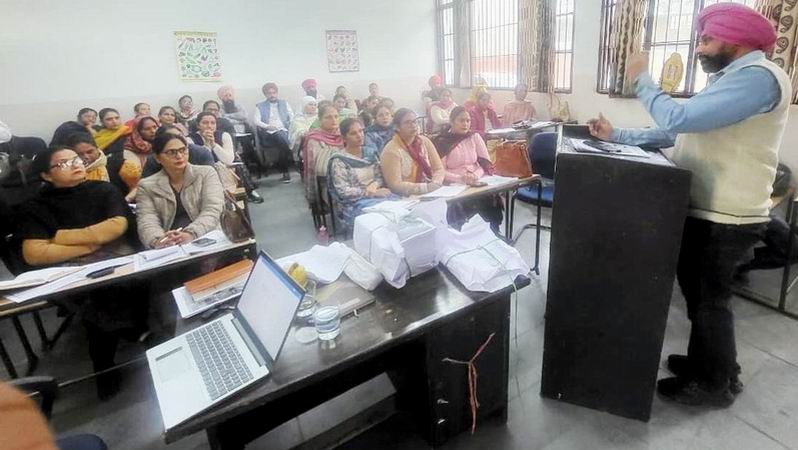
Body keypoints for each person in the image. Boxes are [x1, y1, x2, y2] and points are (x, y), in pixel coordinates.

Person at [587, 3, 790, 407]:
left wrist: (640, 78)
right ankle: (715, 367)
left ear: (735, 42)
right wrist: (617, 135)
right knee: (702, 298)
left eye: (707, 40)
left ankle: (713, 383)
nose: (699, 47)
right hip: (710, 207)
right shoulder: (730, 80)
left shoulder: (759, 78)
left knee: (708, 300)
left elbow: (677, 119)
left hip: (728, 215)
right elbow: (678, 133)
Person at [17, 146, 142, 397]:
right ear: (46, 175)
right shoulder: (35, 206)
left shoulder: (103, 190)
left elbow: (117, 226)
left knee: (111, 287)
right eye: (63, 164)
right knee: (97, 293)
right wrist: (91, 244)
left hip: (116, 257)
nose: (75, 164)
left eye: (76, 159)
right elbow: (34, 252)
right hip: (66, 270)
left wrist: (60, 238)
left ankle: (112, 351)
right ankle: (112, 355)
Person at [136, 133, 224, 249]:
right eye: (171, 152)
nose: (179, 156)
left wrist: (190, 234)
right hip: (170, 245)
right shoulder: (146, 186)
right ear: (157, 158)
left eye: (183, 150)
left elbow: (213, 209)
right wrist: (158, 240)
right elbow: (147, 219)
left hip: (207, 237)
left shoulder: (206, 173)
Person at [433, 106, 502, 231]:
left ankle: (492, 232)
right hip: (454, 185)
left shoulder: (474, 137)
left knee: (489, 198)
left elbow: (485, 163)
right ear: (452, 121)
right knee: (462, 205)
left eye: (468, 120)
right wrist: (461, 179)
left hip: (476, 181)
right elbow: (439, 171)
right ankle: (466, 235)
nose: (465, 124)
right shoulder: (442, 141)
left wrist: (475, 176)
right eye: (461, 120)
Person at [328, 118, 393, 228]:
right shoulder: (339, 161)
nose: (359, 135)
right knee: (380, 220)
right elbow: (343, 191)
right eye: (353, 133)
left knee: (400, 208)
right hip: (353, 203)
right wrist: (371, 193)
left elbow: (380, 176)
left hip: (377, 194)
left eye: (361, 131)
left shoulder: (370, 153)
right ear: (344, 138)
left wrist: (375, 184)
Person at [381, 108, 445, 196]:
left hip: (432, 190)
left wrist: (435, 183)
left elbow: (439, 169)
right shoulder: (391, 150)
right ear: (397, 127)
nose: (413, 125)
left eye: (415, 121)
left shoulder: (424, 141)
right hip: (406, 197)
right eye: (407, 123)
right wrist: (425, 188)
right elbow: (395, 185)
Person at [95, 108, 140, 200]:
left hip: (130, 172)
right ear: (102, 122)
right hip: (108, 174)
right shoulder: (99, 137)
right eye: (109, 119)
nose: (114, 121)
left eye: (117, 118)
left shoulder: (129, 133)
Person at [303, 101, 344, 203]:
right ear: (320, 120)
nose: (334, 120)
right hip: (328, 181)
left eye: (336, 116)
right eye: (328, 117)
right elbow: (313, 169)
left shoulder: (344, 134)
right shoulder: (314, 139)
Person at [254, 82, 295, 183]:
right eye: (269, 93)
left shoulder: (284, 103)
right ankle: (290, 152)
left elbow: (292, 116)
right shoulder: (260, 106)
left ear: (277, 93)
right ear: (265, 94)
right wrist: (268, 126)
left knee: (281, 138)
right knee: (279, 135)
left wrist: (290, 124)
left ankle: (284, 170)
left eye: (274, 92)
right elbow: (256, 121)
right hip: (269, 134)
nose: (272, 95)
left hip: (284, 131)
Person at [141, 125, 214, 178]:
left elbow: (211, 180)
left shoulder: (202, 153)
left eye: (180, 136)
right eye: (171, 138)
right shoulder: (153, 159)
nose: (177, 140)